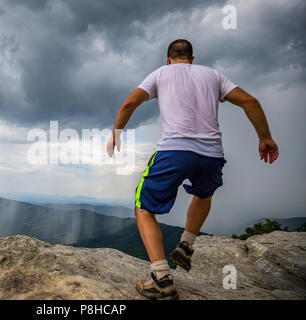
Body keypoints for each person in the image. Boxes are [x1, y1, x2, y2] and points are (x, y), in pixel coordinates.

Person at [106, 39, 279, 300]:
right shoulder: (213, 75)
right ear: (192, 58)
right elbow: (250, 101)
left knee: (143, 207)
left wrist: (116, 133)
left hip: (174, 151)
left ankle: (160, 277)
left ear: (168, 58)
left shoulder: (160, 74)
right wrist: (264, 137)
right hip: (211, 154)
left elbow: (128, 104)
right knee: (203, 195)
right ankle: (186, 245)